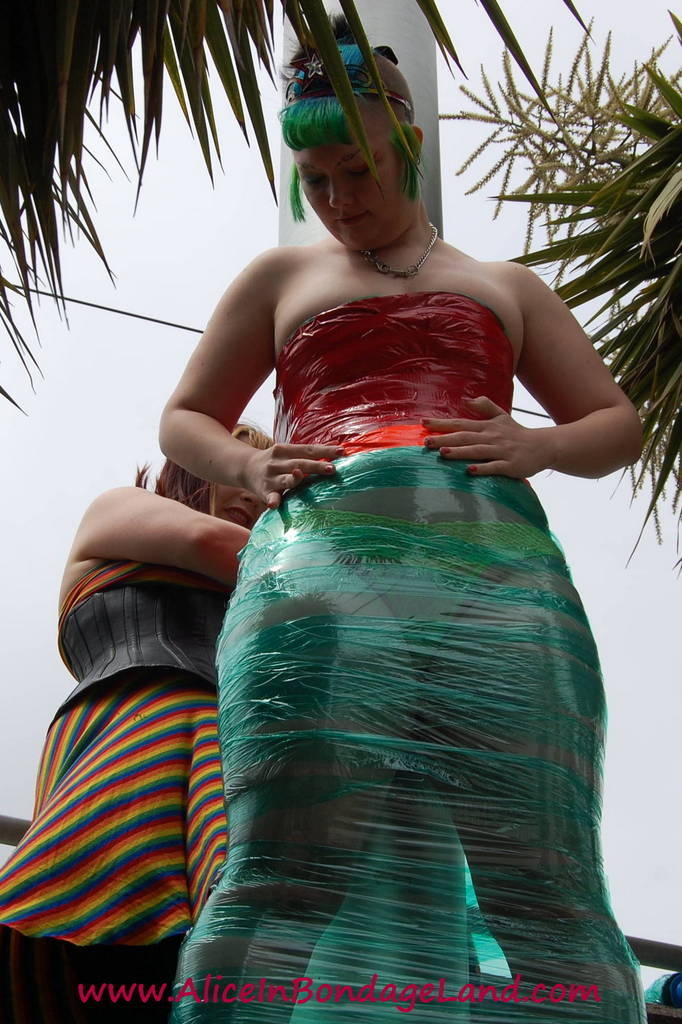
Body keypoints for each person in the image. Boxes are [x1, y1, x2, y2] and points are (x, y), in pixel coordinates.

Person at [158, 17, 646, 1023]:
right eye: (317, 178)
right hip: (321, 575)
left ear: (406, 146)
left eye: (358, 170)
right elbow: (183, 416)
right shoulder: (278, 278)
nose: (338, 201)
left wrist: (539, 445)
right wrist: (249, 459)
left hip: (501, 583)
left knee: (547, 889)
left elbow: (616, 422)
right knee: (280, 876)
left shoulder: (504, 287)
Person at [0, 425, 269, 1023]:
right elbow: (206, 540)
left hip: (238, 746)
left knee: (239, 924)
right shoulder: (119, 510)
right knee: (96, 900)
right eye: (240, 467)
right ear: (193, 470)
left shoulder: (276, 576)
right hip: (130, 727)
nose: (257, 487)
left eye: (269, 475)